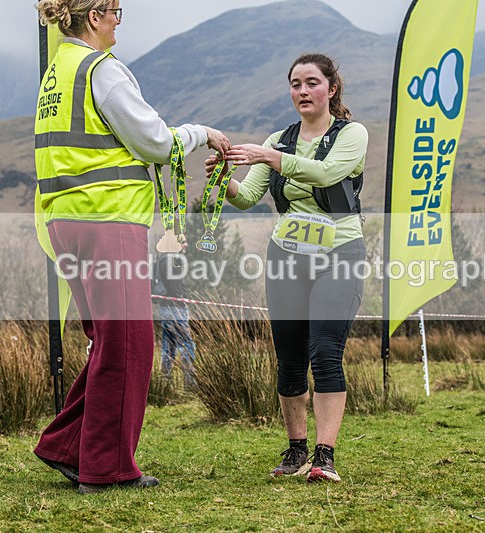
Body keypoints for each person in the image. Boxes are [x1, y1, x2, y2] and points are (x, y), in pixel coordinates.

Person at [33, 0, 229, 494]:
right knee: (130, 344)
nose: (119, 21)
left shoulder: (57, 74)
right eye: (117, 11)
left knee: (108, 340)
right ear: (96, 15)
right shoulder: (102, 70)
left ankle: (67, 446)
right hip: (108, 220)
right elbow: (155, 142)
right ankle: (107, 468)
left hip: (65, 221)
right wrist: (200, 134)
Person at [207, 53, 367, 483]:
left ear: (331, 89)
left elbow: (329, 173)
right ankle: (296, 450)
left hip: (339, 254)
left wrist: (271, 158)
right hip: (287, 256)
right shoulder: (278, 138)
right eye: (295, 84)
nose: (302, 91)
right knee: (289, 357)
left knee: (326, 352)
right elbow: (246, 196)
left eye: (312, 83)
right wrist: (223, 177)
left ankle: (325, 455)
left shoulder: (352, 134)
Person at [153, 250, 196, 387]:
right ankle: (190, 383)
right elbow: (175, 286)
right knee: (186, 344)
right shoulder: (174, 259)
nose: (186, 245)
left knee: (168, 346)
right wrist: (183, 296)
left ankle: (165, 383)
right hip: (176, 308)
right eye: (182, 241)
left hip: (164, 308)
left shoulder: (160, 259)